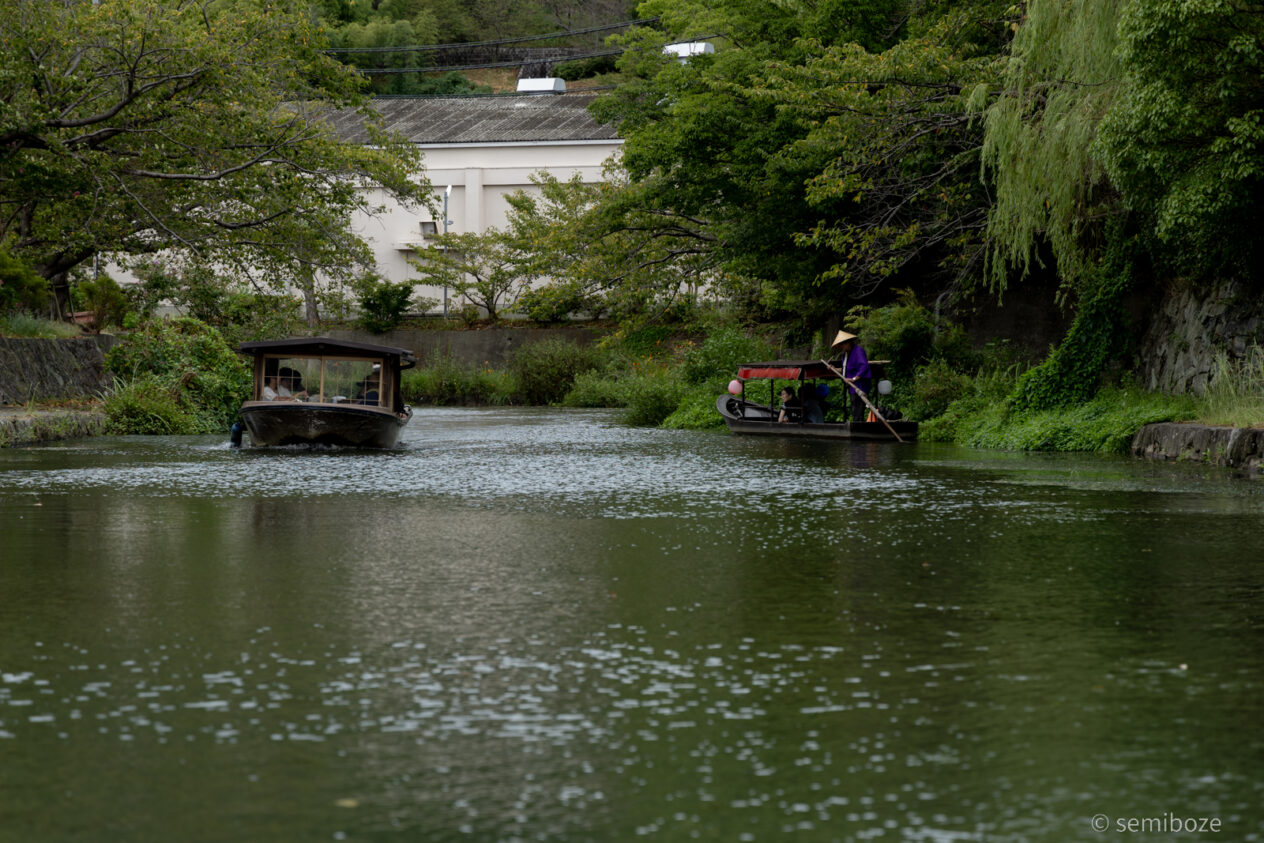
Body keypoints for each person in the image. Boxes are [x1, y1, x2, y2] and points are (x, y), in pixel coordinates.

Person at [831, 330, 871, 422]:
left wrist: (854, 379)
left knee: (858, 409)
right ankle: (856, 426)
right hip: (852, 388)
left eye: (842, 345)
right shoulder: (844, 355)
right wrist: (834, 369)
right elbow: (845, 369)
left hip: (860, 386)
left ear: (848, 343)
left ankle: (858, 428)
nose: (841, 347)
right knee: (854, 409)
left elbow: (864, 366)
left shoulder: (858, 351)